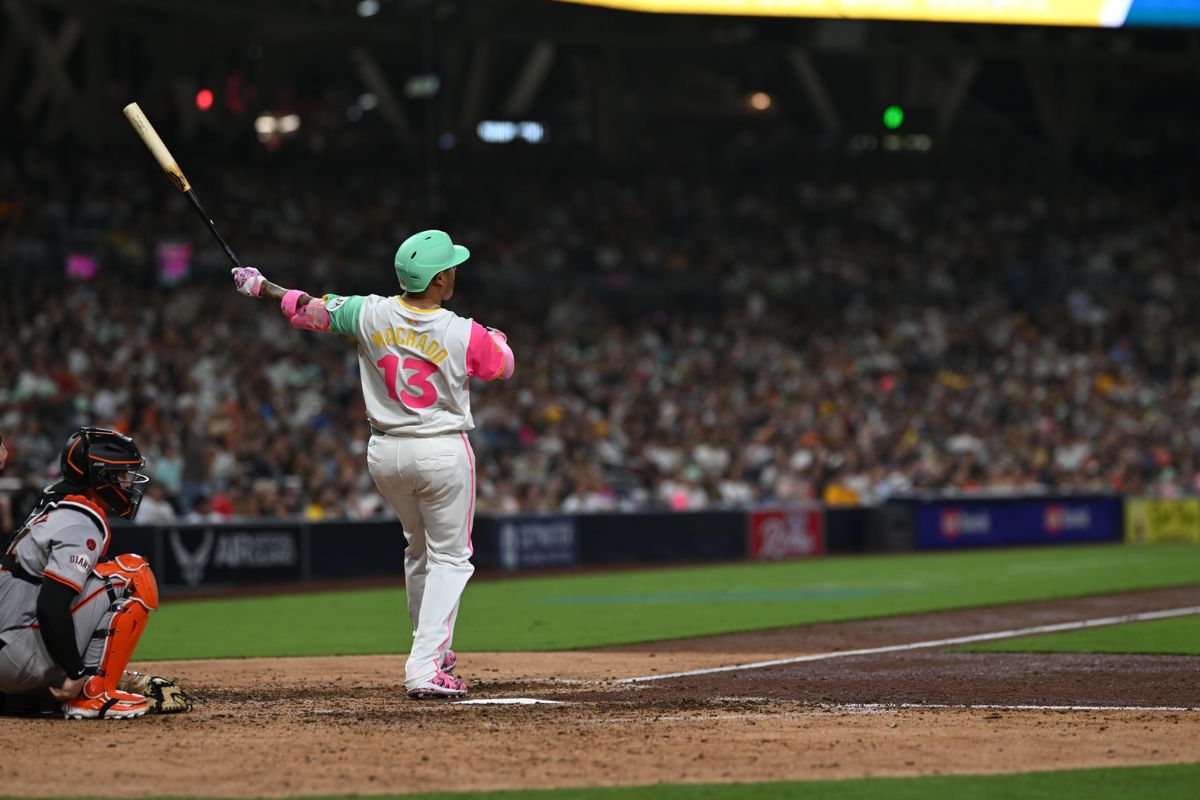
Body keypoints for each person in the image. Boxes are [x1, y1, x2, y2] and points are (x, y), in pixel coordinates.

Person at [231, 229, 515, 698]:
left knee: (419, 550)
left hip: (386, 453)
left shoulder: (369, 310)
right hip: (441, 450)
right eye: (452, 267)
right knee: (452, 558)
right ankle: (425, 665)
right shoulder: (462, 330)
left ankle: (433, 652)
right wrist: (496, 337)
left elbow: (306, 308)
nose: (456, 272)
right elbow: (503, 366)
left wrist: (260, 286)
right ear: (441, 278)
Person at [0, 427, 189, 718]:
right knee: (133, 573)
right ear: (100, 477)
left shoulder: (55, 504)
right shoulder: (79, 520)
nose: (128, 483)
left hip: (8, 650)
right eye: (121, 475)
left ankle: (30, 694)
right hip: (15, 658)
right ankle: (93, 693)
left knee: (94, 575)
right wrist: (76, 672)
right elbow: (51, 606)